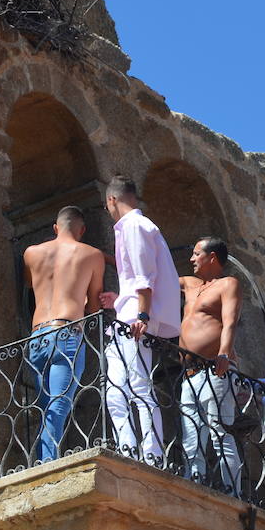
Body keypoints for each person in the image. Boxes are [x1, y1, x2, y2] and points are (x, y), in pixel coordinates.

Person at [98, 175, 180, 460]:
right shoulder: (133, 227)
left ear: (112, 200)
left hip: (136, 320)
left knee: (139, 385)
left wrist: (142, 314)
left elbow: (146, 276)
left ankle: (152, 452)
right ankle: (127, 446)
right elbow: (135, 280)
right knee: (115, 388)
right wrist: (119, 299)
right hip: (128, 315)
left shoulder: (135, 225)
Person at [22, 206, 105, 462]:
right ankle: (46, 462)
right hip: (67, 333)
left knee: (46, 404)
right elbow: (94, 306)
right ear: (82, 230)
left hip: (37, 337)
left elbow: (30, 285)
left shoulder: (31, 253)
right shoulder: (91, 254)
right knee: (59, 404)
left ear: (55, 228)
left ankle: (43, 456)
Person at [177, 237, 244, 494]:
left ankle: (232, 492)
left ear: (212, 257)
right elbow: (153, 276)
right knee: (190, 437)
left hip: (215, 369)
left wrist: (225, 353)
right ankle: (193, 485)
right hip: (189, 374)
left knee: (219, 431)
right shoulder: (189, 284)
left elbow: (229, 322)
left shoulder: (228, 284)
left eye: (196, 254)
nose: (192, 259)